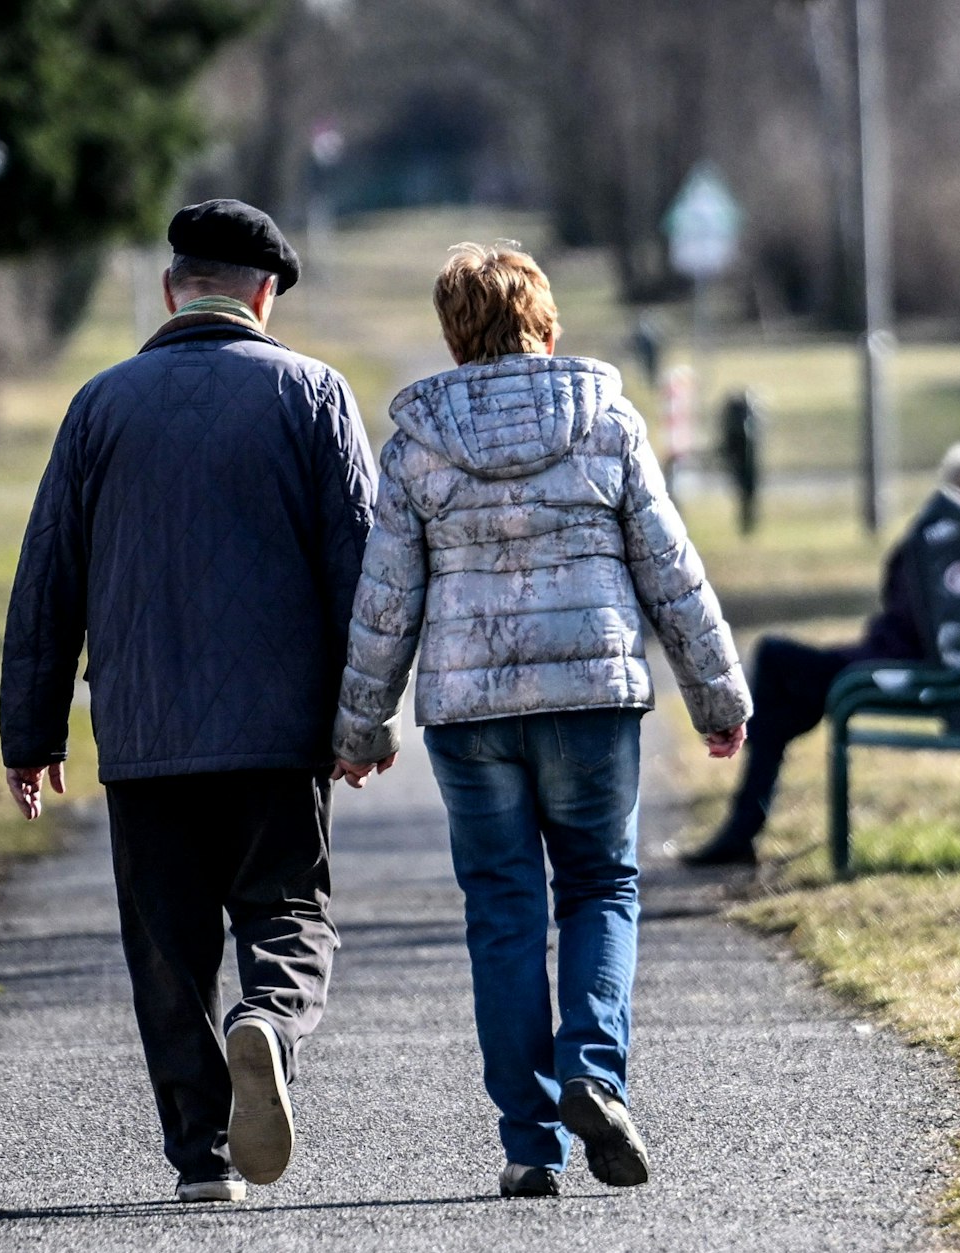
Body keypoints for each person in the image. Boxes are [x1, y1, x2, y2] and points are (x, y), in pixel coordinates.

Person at [332, 243, 752, 1199]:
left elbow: (386, 600)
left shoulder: (418, 442)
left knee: (502, 908)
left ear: (453, 332)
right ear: (546, 322)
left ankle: (530, 1143)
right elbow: (670, 571)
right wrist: (719, 697)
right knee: (601, 883)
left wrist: (360, 730)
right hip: (592, 701)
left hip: (470, 712)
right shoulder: (605, 419)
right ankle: (593, 1076)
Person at [0, 199, 377, 1203]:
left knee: (166, 950)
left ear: (172, 289)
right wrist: (365, 716)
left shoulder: (98, 406)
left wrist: (30, 733)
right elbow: (365, 579)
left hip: (144, 734)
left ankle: (200, 1159)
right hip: (276, 731)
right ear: (262, 294)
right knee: (290, 911)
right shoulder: (314, 396)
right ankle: (270, 1020)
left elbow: (48, 581)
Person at [679, 436, 960, 868]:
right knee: (781, 694)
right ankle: (746, 815)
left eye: (959, 487)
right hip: (902, 659)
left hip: (903, 666)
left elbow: (913, 618)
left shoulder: (954, 544)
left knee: (775, 664)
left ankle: (744, 822)